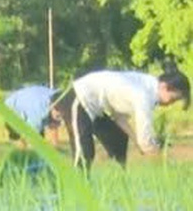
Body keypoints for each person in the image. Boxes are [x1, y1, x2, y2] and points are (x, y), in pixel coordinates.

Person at [54, 61, 190, 169]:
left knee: (118, 139)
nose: (170, 104)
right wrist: (164, 163)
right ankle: (77, 193)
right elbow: (146, 142)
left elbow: (120, 119)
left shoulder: (148, 84)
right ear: (164, 86)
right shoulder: (143, 96)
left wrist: (137, 143)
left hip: (96, 108)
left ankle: (119, 179)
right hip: (79, 98)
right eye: (172, 99)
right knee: (84, 153)